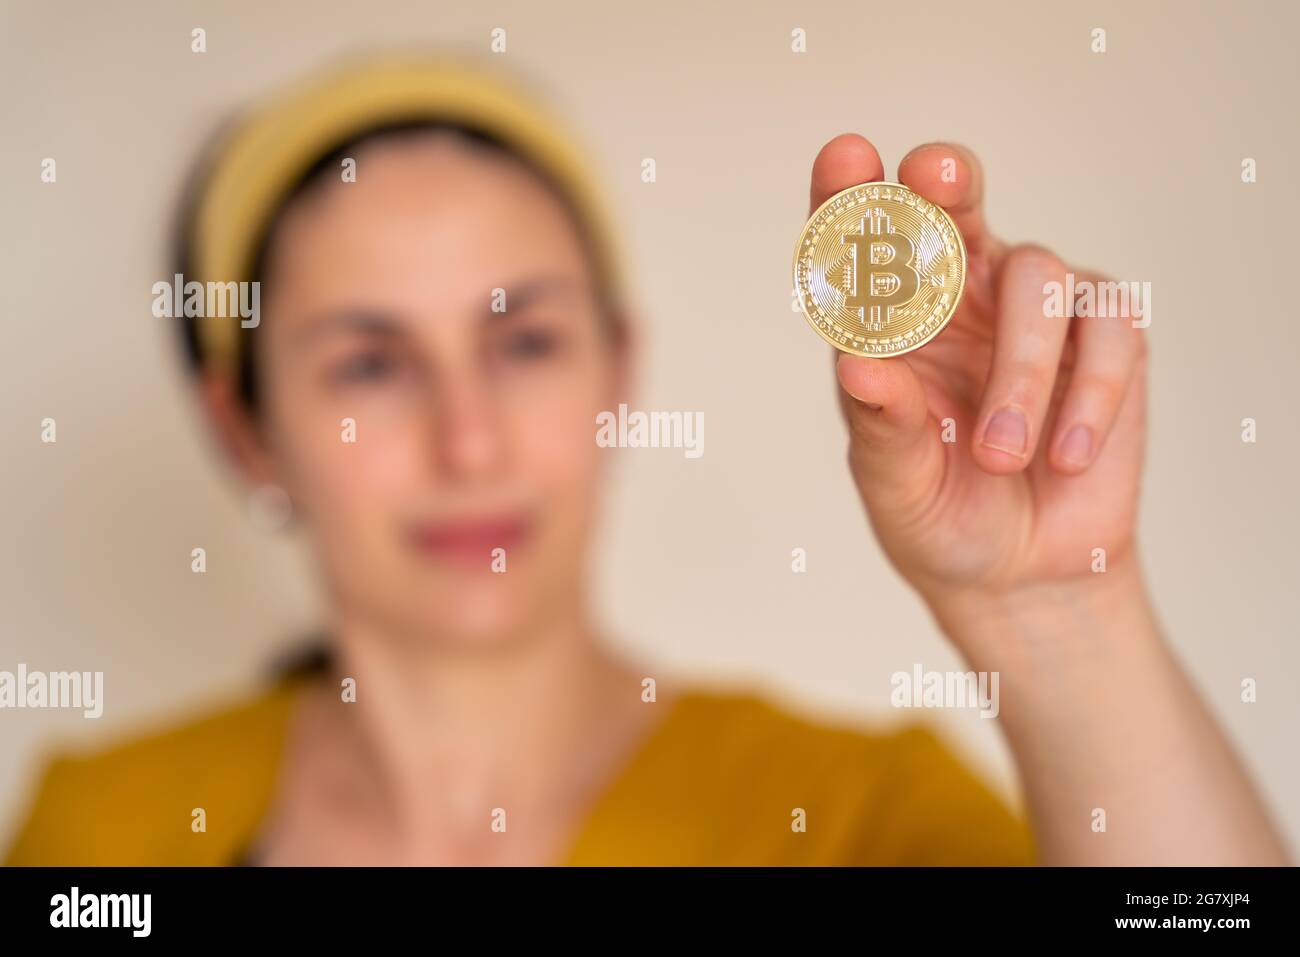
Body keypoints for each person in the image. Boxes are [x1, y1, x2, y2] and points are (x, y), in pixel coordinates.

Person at [4, 54, 1289, 866]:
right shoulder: (104, 837)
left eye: (528, 344)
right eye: (370, 364)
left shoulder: (847, 818)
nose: (471, 441)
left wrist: (1057, 616)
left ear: (618, 371)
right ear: (246, 430)